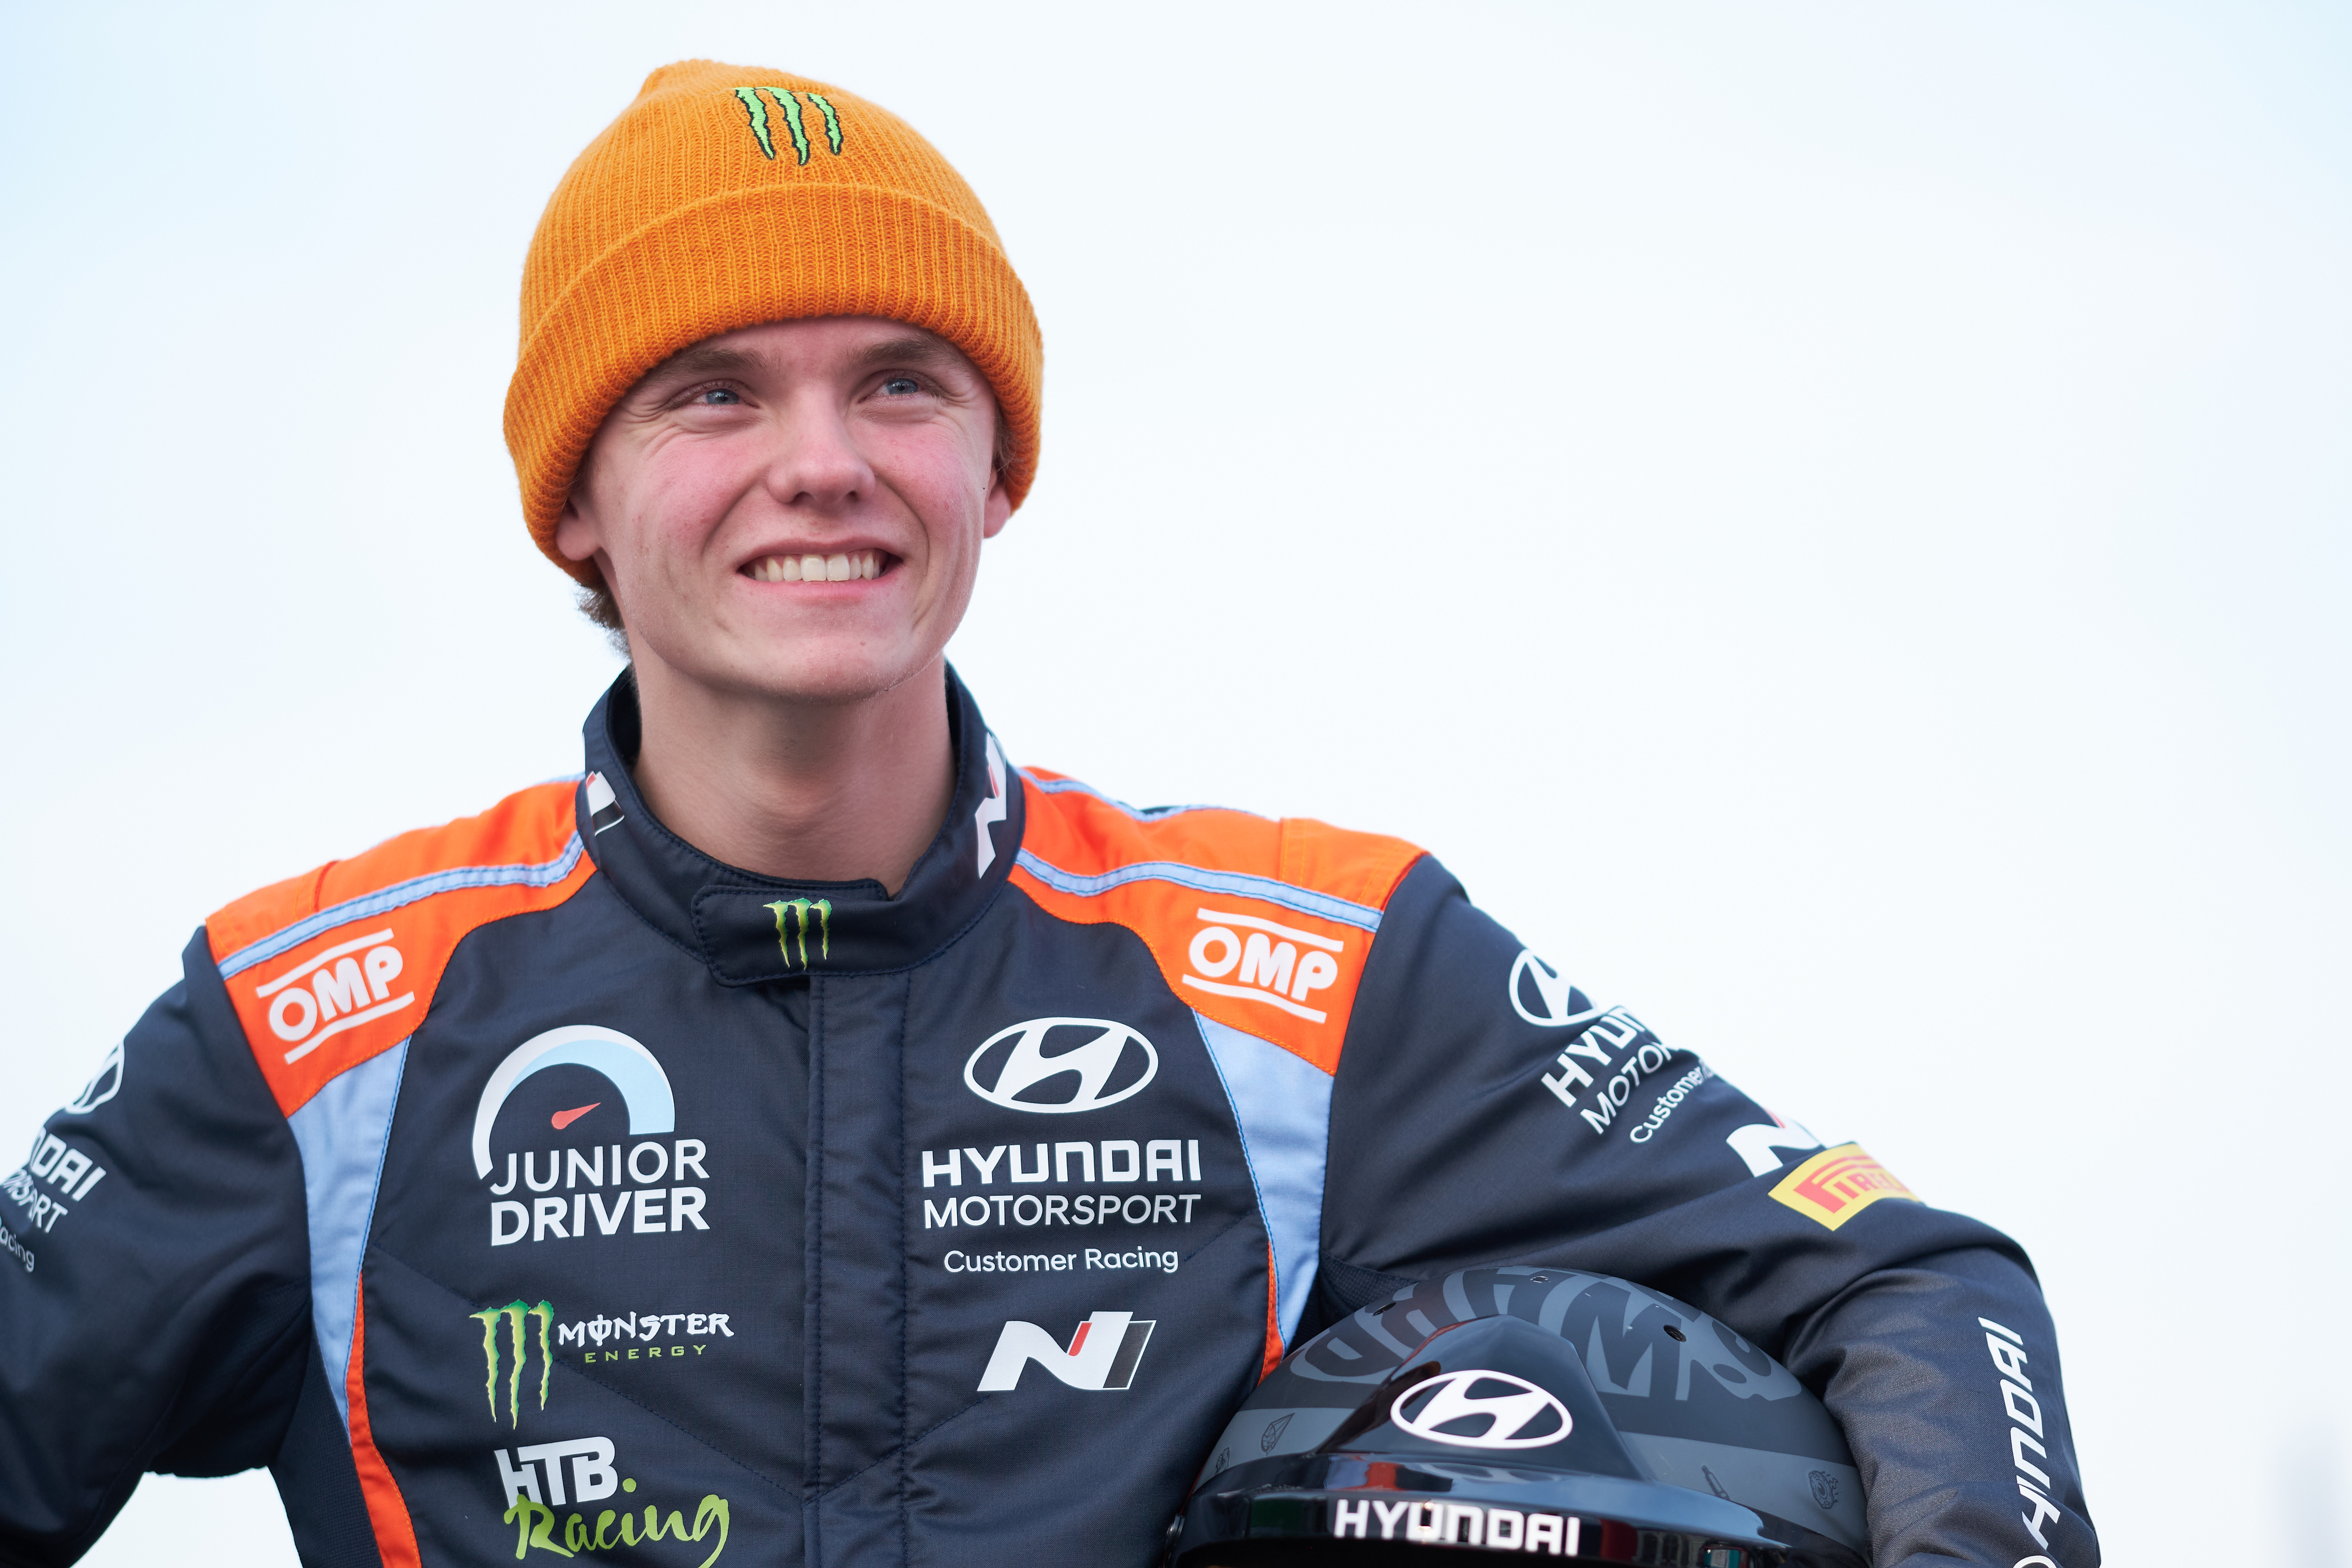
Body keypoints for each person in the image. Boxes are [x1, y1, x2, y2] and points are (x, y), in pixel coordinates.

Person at [0, 60, 2097, 1568]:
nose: (823, 460)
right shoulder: (306, 1029)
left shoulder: (1313, 971)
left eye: (899, 381)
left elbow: (1906, 1280)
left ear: (996, 469)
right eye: (714, 390)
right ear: (573, 498)